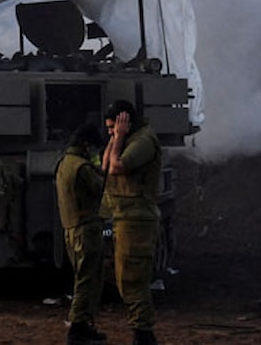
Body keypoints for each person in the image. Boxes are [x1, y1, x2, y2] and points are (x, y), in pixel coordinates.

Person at [101, 99, 163, 345]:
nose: (110, 132)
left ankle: (144, 334)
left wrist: (118, 137)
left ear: (124, 122)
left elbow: (116, 167)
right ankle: (141, 331)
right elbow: (105, 164)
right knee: (124, 279)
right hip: (124, 217)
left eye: (112, 126)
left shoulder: (143, 141)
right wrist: (115, 137)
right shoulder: (126, 138)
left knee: (133, 280)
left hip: (137, 219)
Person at [55, 119, 108, 345]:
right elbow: (102, 188)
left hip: (71, 229)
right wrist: (100, 165)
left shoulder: (64, 163)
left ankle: (84, 325)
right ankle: (78, 327)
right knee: (88, 280)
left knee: (83, 277)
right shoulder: (82, 167)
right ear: (86, 145)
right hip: (86, 229)